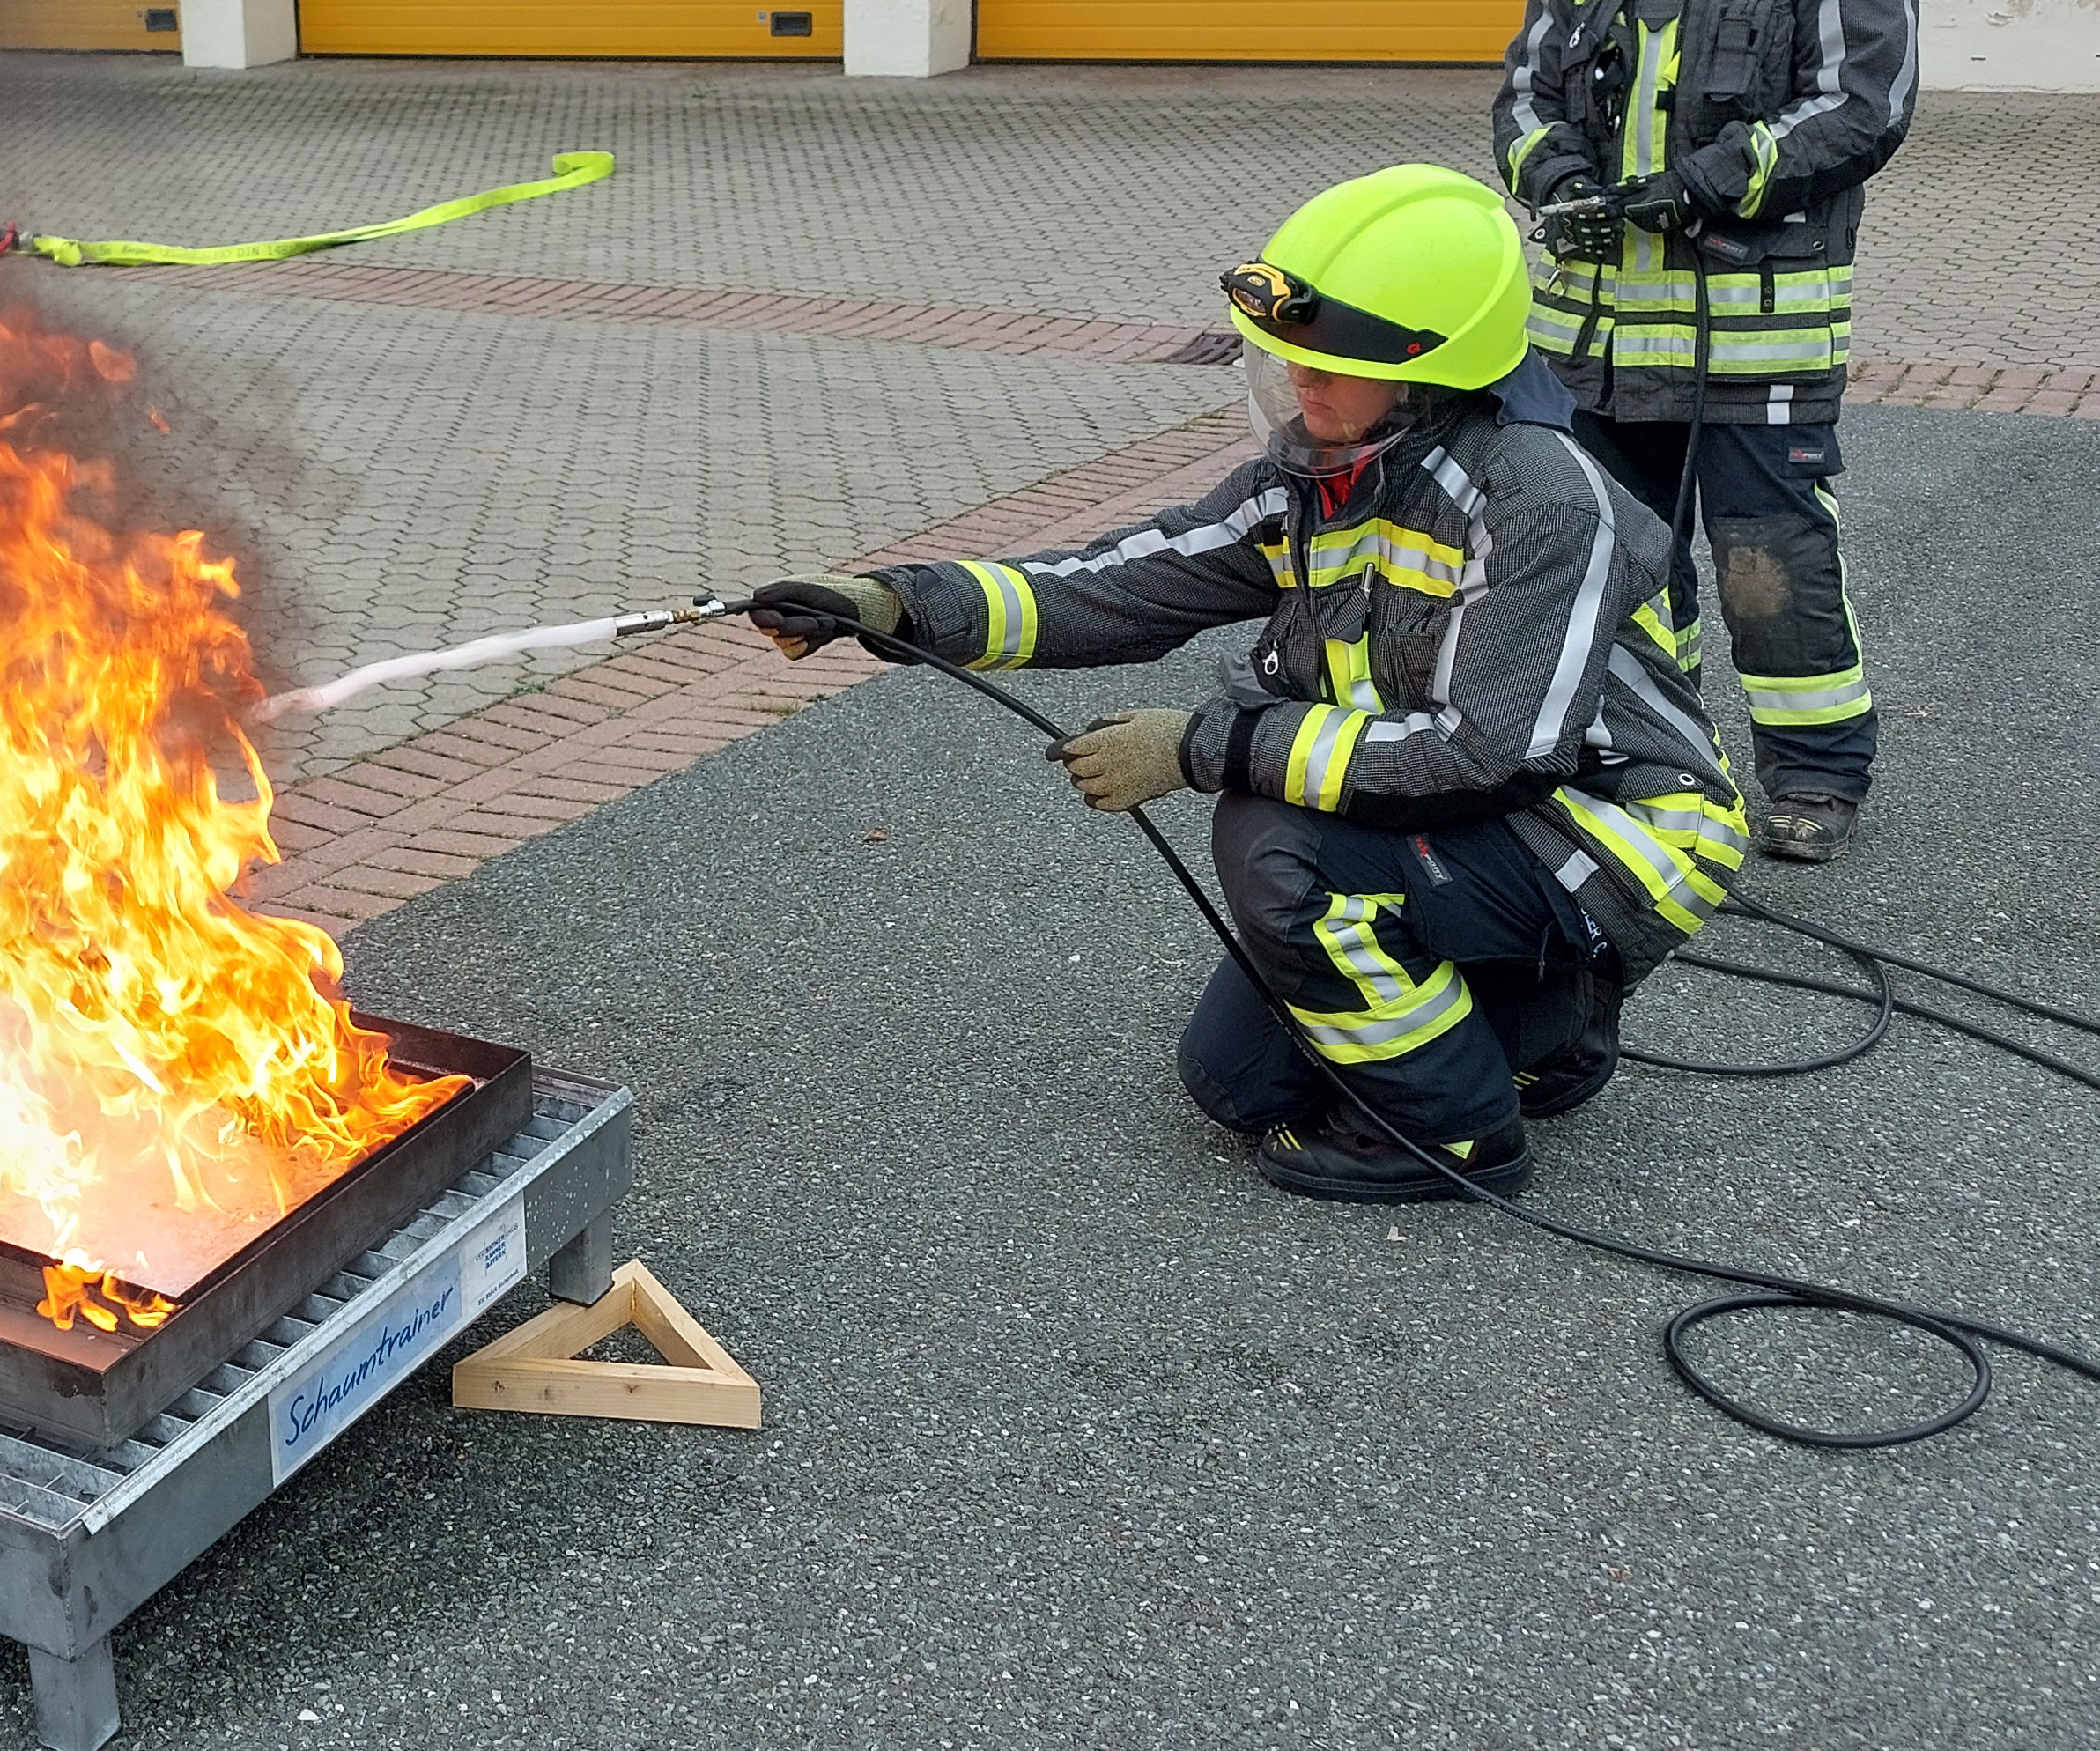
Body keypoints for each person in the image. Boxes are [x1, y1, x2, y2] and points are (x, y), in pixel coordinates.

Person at [743, 168, 1747, 1204]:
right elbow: (1127, 581)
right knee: (1236, 1083)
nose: (1299, 390)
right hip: (1465, 816)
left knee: (1272, 837)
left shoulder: (1536, 500)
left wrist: (1202, 747)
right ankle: (1543, 1026)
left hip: (1612, 831)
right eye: (1287, 363)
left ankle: (1453, 1134)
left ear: (1429, 372)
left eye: (1329, 369)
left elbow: (1487, 753)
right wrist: (898, 606)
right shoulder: (1324, 475)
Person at [1497, 0, 1919, 865]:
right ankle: (1659, 760)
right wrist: (1558, 180)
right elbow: (1523, 98)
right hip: (1598, 345)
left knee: (1764, 562)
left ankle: (1818, 776)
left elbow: (1862, 102)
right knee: (1618, 564)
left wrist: (1704, 182)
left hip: (1755, 337)